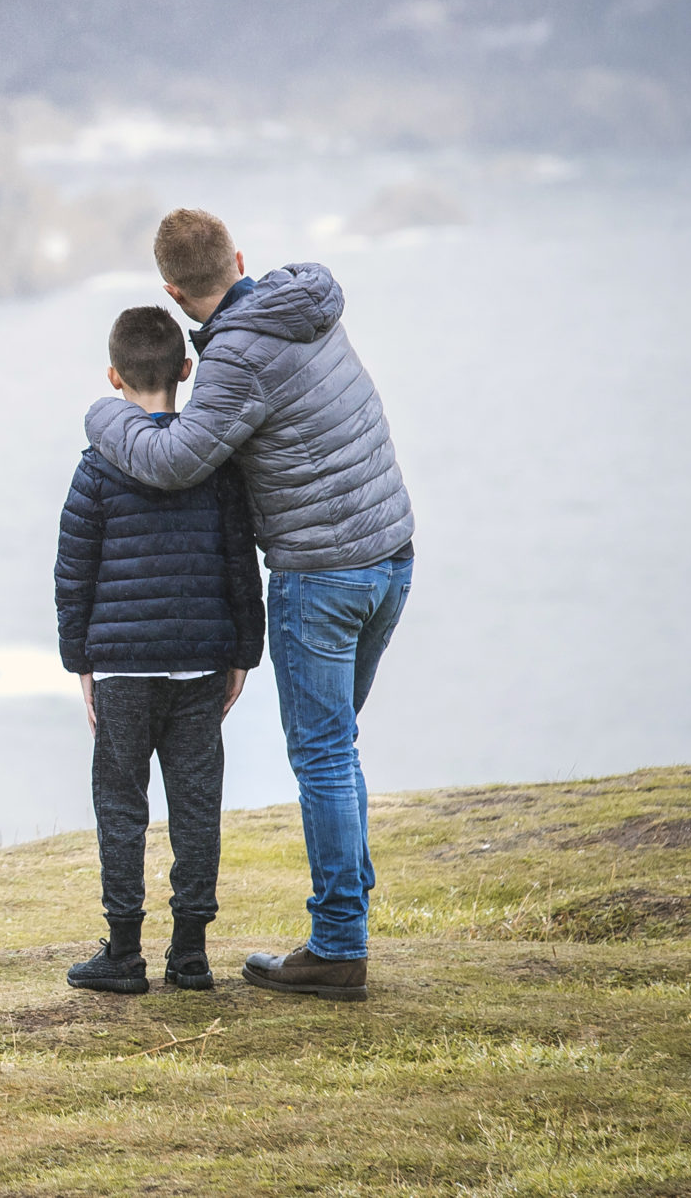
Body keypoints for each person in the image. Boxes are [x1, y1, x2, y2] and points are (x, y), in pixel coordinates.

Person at [84, 209, 413, 1003]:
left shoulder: (236, 355)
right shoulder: (302, 305)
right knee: (339, 746)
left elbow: (171, 460)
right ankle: (348, 915)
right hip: (391, 556)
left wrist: (105, 415)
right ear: (237, 257)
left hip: (323, 574)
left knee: (325, 755)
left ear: (171, 288)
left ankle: (339, 943)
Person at [55, 305, 263, 995]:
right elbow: (242, 564)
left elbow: (72, 572)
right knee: (196, 804)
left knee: (122, 805)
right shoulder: (216, 465)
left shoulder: (95, 470)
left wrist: (78, 660)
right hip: (202, 660)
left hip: (120, 666)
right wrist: (244, 651)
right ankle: (192, 952)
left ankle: (121, 952)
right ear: (187, 370)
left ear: (113, 376)